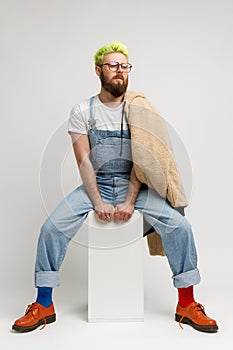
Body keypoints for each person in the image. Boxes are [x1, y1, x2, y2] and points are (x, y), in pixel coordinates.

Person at [12, 41, 218, 333]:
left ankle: (186, 303)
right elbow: (84, 160)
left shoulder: (138, 108)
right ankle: (44, 304)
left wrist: (130, 199)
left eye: (124, 66)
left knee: (180, 227)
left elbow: (143, 157)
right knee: (51, 229)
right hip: (95, 184)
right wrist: (96, 200)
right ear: (98, 71)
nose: (120, 71)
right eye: (113, 65)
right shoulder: (82, 110)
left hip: (135, 183)